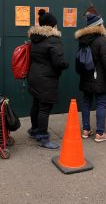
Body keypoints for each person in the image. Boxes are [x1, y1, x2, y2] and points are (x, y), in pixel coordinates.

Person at [27, 9, 69, 150]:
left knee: (36, 104)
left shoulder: (35, 38)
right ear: (52, 26)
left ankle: (34, 130)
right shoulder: (53, 40)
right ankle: (43, 138)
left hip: (34, 76)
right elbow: (59, 62)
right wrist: (65, 64)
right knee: (44, 108)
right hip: (46, 79)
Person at [75, 12, 106, 142]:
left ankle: (86, 130)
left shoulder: (82, 40)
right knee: (101, 103)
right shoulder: (101, 40)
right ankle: (100, 133)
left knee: (86, 102)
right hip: (99, 77)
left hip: (86, 76)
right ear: (99, 25)